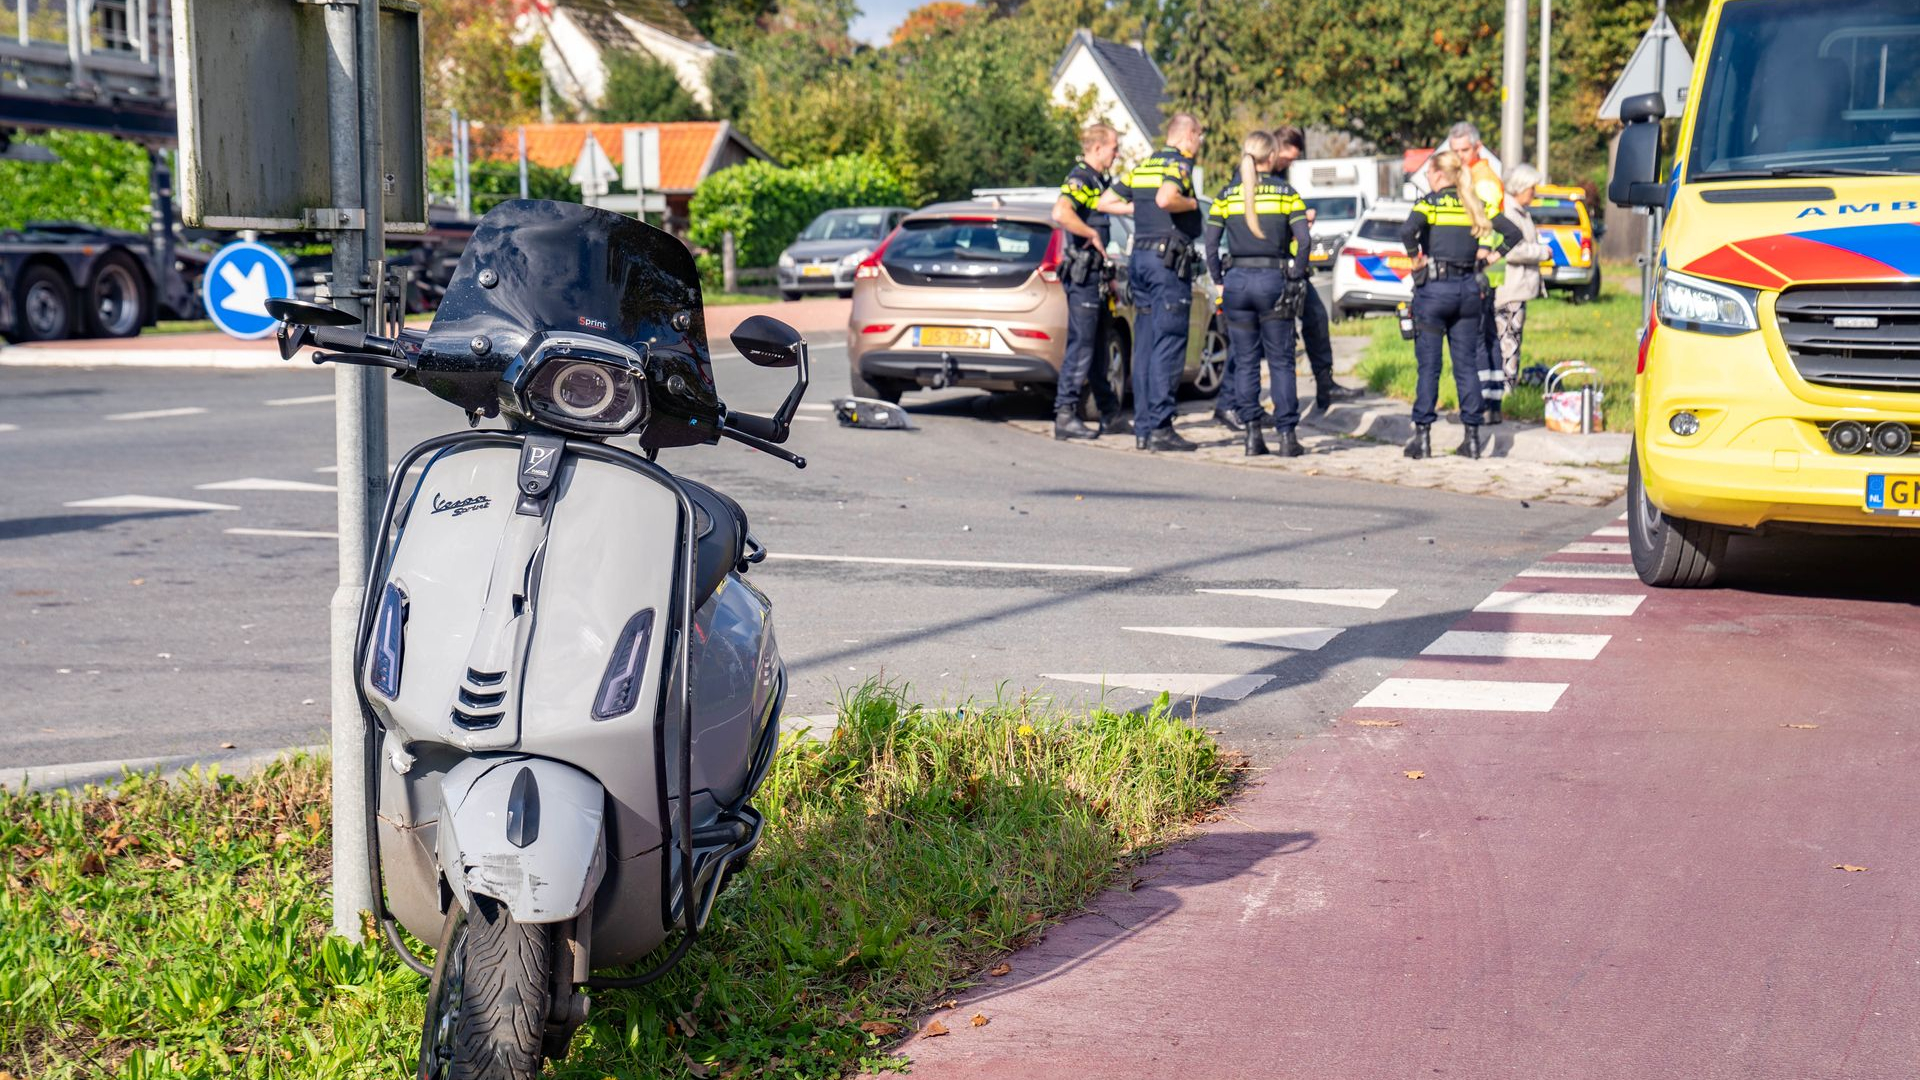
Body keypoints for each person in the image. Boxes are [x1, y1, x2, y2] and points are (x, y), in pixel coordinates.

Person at [1203, 129, 1311, 458]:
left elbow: (1210, 244)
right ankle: (1287, 437)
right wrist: (1294, 274)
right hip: (1273, 280)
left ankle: (1252, 436)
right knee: (1280, 361)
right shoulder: (1286, 194)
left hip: (1236, 283)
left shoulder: (1225, 195)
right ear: (1271, 156)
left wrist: (1220, 279)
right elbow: (1304, 241)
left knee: (1246, 362)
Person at [1099, 112, 1204, 452]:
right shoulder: (1179, 165)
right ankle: (1161, 426)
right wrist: (1190, 203)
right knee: (1169, 341)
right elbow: (1165, 198)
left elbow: (1105, 201)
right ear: (1188, 136)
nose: (1199, 144)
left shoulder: (1143, 167)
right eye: (1199, 137)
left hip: (1140, 259)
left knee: (1144, 343)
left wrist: (1137, 212)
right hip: (1166, 263)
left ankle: (1144, 427)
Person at [1399, 149, 1494, 460]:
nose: (1427, 178)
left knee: (1430, 366)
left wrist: (1416, 261)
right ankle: (1472, 438)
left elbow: (1406, 230)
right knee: (1466, 365)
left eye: (1429, 173)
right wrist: (1491, 257)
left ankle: (1422, 438)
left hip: (1434, 291)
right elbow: (1512, 232)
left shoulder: (1429, 203)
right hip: (1468, 290)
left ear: (1440, 175)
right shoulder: (1473, 204)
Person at [1266, 126, 1363, 412]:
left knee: (1317, 319)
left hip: (1291, 265)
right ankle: (1246, 404)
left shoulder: (1280, 176)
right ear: (1276, 149)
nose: (1290, 163)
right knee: (1266, 340)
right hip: (1270, 268)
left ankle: (1325, 385)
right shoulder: (1254, 176)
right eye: (1288, 157)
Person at [1049, 122, 1127, 441]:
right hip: (1083, 275)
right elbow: (1061, 212)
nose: (1116, 153)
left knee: (1097, 346)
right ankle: (1065, 414)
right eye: (1113, 148)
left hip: (1096, 275)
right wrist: (1091, 232)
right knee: (1081, 346)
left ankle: (1109, 412)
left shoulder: (1097, 180)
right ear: (1097, 148)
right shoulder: (1081, 178)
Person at [1444, 121, 1509, 420]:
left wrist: (1482, 253)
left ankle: (1483, 405)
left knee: (1478, 340)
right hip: (1488, 271)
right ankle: (1492, 403)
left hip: (1482, 270)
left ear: (1478, 148)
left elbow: (1486, 225)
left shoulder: (1482, 180)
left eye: (1464, 150)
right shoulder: (1472, 175)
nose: (1459, 156)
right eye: (1454, 150)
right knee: (1487, 337)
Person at [1488, 165, 1548, 418]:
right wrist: (1543, 253)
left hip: (1515, 287)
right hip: (1511, 288)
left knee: (1508, 339)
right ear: (1521, 187)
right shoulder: (1512, 213)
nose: (1534, 192)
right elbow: (1513, 250)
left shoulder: (1519, 211)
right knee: (1509, 341)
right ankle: (1507, 391)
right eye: (1531, 188)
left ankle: (1504, 388)